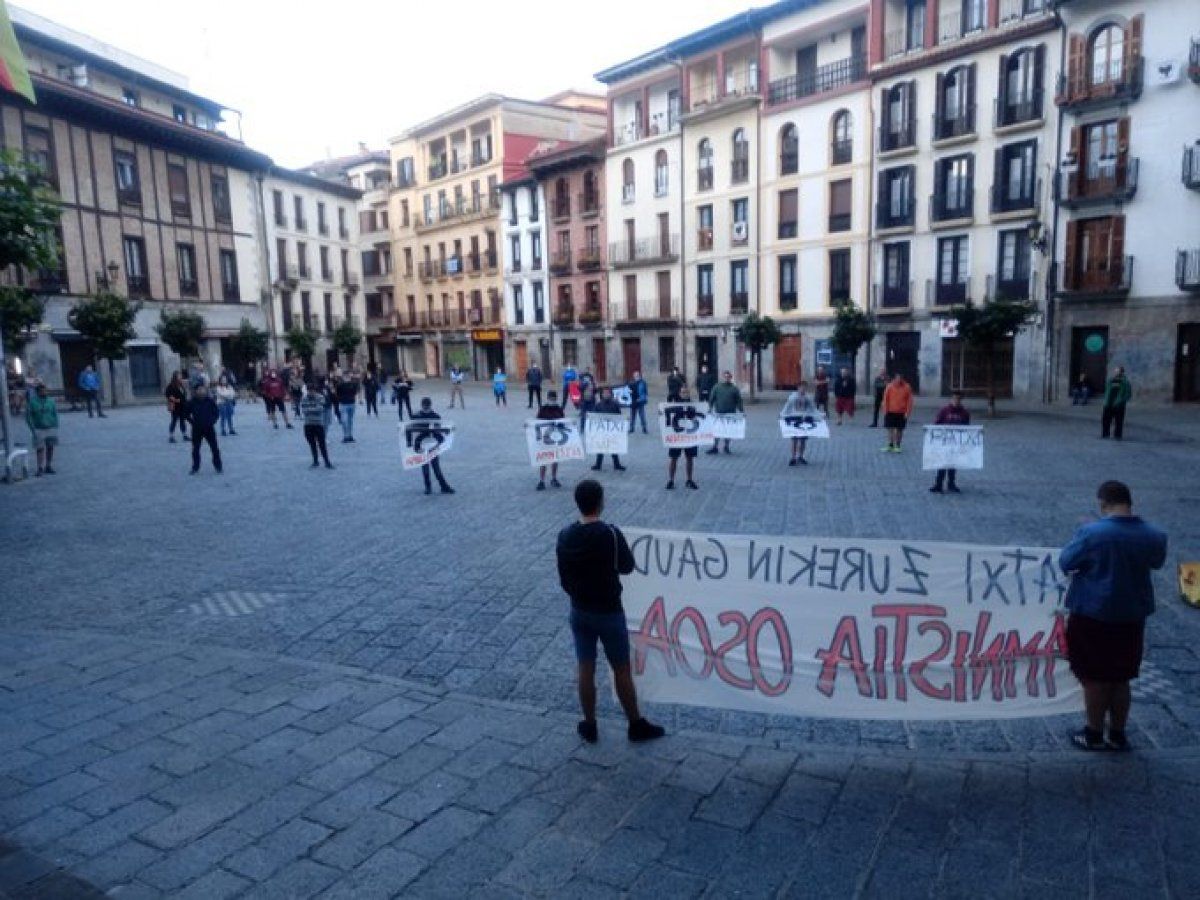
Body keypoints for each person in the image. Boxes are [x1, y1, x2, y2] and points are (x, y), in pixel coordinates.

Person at [1059, 480, 1167, 751]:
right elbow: (1157, 562)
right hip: (1132, 615)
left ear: (1103, 503)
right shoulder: (1154, 534)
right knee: (1121, 676)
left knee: (1095, 676)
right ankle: (1118, 734)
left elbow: (1066, 562)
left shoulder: (1093, 533)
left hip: (1093, 613)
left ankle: (1093, 733)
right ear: (1130, 503)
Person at [556, 479, 666, 744]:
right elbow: (627, 566)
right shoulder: (611, 534)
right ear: (601, 502)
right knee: (621, 668)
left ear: (578, 503)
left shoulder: (564, 535)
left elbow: (564, 580)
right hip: (608, 611)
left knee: (585, 666)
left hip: (580, 611)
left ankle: (590, 724)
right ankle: (635, 723)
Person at [410, 397, 454, 495]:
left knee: (432, 467)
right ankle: (438, 487)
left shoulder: (418, 416)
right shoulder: (433, 416)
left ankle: (433, 487)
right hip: (427, 444)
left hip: (429, 444)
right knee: (432, 467)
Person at [929, 391, 970, 493]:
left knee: (953, 463)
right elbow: (937, 424)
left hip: (956, 443)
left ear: (961, 400)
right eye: (954, 399)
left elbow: (967, 427)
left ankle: (951, 483)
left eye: (958, 399)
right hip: (944, 442)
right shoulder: (944, 411)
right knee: (942, 463)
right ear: (951, 399)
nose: (956, 401)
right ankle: (938, 484)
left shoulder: (964, 413)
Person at [665, 387, 699, 490]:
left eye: (687, 392)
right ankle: (671, 480)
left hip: (689, 436)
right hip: (677, 436)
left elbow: (697, 418)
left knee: (690, 458)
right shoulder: (674, 405)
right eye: (683, 392)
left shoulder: (693, 406)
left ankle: (689, 479)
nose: (685, 394)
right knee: (673, 458)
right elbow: (667, 415)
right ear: (680, 393)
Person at [185, 384, 222, 474]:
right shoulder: (192, 402)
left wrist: (212, 421)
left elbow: (216, 412)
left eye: (203, 389)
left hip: (209, 428)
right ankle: (195, 467)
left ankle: (218, 466)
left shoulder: (210, 401)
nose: (202, 391)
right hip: (197, 429)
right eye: (200, 390)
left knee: (214, 448)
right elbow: (186, 414)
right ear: (196, 391)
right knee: (195, 449)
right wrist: (193, 422)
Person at [706, 370, 743, 455]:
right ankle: (715, 447)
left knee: (728, 431)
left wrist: (741, 411)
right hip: (719, 412)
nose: (727, 378)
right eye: (725, 377)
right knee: (717, 430)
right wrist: (709, 407)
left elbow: (739, 401)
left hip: (730, 413)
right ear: (723, 377)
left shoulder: (734, 388)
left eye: (728, 377)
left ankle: (726, 446)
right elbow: (712, 398)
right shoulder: (717, 387)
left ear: (731, 378)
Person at [590, 387, 627, 472]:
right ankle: (598, 464)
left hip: (612, 430)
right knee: (600, 448)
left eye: (608, 393)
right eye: (604, 393)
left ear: (610, 394)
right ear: (602, 395)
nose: (606, 394)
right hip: (602, 430)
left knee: (613, 448)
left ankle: (617, 465)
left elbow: (619, 416)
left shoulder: (615, 405)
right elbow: (594, 417)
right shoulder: (598, 405)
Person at [25, 382, 58, 476]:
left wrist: (55, 424)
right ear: (37, 392)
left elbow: (54, 413)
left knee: (50, 447)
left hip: (51, 427)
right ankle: (40, 467)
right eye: (42, 391)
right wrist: (32, 428)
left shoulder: (51, 401)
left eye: (45, 391)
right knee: (40, 448)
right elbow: (28, 416)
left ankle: (48, 465)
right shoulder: (32, 402)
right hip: (38, 428)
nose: (44, 392)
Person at [536, 390, 566, 491]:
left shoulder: (559, 409)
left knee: (554, 459)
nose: (552, 400)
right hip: (545, 438)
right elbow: (537, 422)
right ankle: (541, 480)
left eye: (553, 398)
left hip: (556, 438)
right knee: (543, 459)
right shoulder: (543, 409)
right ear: (548, 398)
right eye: (550, 398)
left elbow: (563, 421)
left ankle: (554, 478)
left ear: (556, 399)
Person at [299, 383, 334, 469]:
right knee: (312, 444)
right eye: (309, 391)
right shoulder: (304, 398)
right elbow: (304, 410)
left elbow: (320, 409)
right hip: (308, 425)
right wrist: (313, 408)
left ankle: (327, 461)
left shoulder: (320, 397)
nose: (311, 392)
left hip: (318, 424)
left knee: (322, 444)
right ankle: (315, 461)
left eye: (312, 391)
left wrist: (310, 408)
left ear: (315, 390)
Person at [782, 381, 816, 466]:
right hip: (794, 418)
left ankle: (801, 456)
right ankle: (793, 457)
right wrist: (782, 414)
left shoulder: (808, 398)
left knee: (803, 440)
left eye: (804, 387)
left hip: (804, 419)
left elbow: (812, 408)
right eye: (801, 387)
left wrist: (816, 415)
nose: (803, 389)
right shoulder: (793, 397)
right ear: (798, 388)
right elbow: (787, 407)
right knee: (794, 439)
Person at [881, 373, 913, 453]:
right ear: (894, 379)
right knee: (890, 429)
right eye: (897, 378)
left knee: (899, 429)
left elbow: (910, 401)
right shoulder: (889, 386)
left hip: (901, 412)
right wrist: (885, 410)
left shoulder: (907, 387)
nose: (899, 380)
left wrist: (907, 412)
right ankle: (890, 445)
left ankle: (898, 445)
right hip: (890, 411)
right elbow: (885, 399)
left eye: (900, 378)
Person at [1101, 366, 1131, 440]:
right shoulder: (1110, 380)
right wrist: (1105, 400)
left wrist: (1120, 400)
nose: (1116, 372)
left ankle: (1117, 436)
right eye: (1115, 371)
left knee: (1119, 421)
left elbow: (1128, 394)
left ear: (1122, 372)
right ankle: (1105, 434)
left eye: (1118, 371)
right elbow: (1107, 391)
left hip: (1118, 405)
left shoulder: (1125, 382)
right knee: (1105, 420)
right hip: (1108, 404)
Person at [334, 373, 359, 442]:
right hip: (343, 404)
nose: (347, 378)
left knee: (350, 421)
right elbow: (337, 393)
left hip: (351, 404)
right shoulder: (340, 385)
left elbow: (355, 392)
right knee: (344, 420)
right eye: (345, 377)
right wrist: (340, 400)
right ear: (343, 377)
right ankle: (345, 435)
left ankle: (350, 435)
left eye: (348, 377)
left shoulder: (353, 384)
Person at [165, 372, 189, 442]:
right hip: (175, 407)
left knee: (182, 421)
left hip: (182, 406)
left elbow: (184, 394)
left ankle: (184, 435)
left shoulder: (181, 385)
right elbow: (168, 395)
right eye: (179, 376)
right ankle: (171, 436)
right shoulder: (171, 386)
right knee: (174, 421)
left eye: (181, 376)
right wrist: (175, 400)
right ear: (175, 377)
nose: (181, 377)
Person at [627, 370, 649, 435]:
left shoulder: (643, 383)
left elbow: (645, 392)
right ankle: (631, 428)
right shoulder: (631, 383)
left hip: (640, 401)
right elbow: (627, 391)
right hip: (633, 401)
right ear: (633, 376)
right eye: (635, 375)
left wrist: (643, 399)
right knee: (632, 416)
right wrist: (630, 393)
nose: (636, 376)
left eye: (637, 375)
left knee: (642, 416)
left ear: (640, 376)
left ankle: (644, 428)